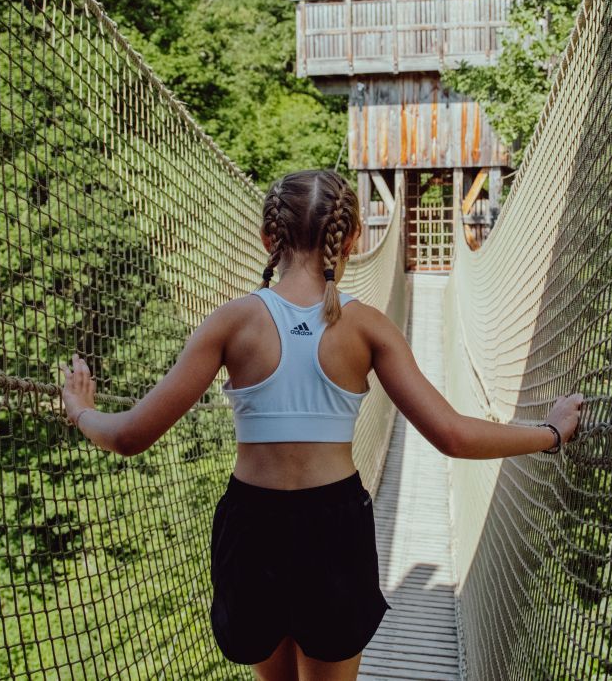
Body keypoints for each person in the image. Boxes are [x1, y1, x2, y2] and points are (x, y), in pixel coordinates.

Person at [59, 169, 584, 681]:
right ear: (353, 238)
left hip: (251, 525)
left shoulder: (233, 321)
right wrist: (552, 433)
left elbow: (129, 436)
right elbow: (451, 434)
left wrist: (81, 409)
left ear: (269, 237)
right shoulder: (366, 326)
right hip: (334, 528)